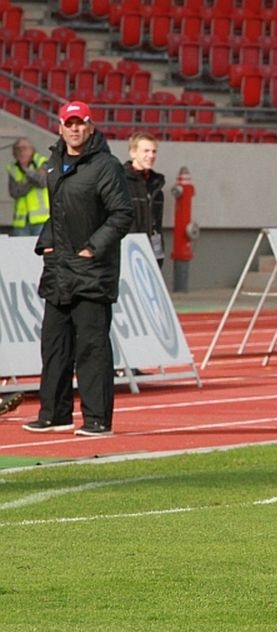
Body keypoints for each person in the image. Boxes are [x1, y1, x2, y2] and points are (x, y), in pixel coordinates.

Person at [21, 101, 134, 437]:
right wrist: (47, 242)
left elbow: (122, 214)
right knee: (54, 344)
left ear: (90, 127)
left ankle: (97, 419)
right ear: (60, 127)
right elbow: (57, 212)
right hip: (58, 268)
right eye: (68, 124)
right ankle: (54, 414)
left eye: (80, 123)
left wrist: (92, 249)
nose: (74, 129)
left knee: (91, 347)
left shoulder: (106, 166)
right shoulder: (54, 163)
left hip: (91, 269)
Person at [123, 131, 166, 267]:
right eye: (146, 151)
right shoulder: (120, 182)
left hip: (152, 253)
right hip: (128, 252)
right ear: (133, 153)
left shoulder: (156, 186)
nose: (151, 156)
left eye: (154, 151)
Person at [6, 137, 50, 236]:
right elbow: (14, 192)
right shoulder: (13, 168)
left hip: (41, 219)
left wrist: (26, 171)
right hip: (21, 221)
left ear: (32, 150)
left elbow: (43, 182)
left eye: (24, 148)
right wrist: (34, 176)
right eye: (18, 149)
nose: (21, 152)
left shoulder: (42, 163)